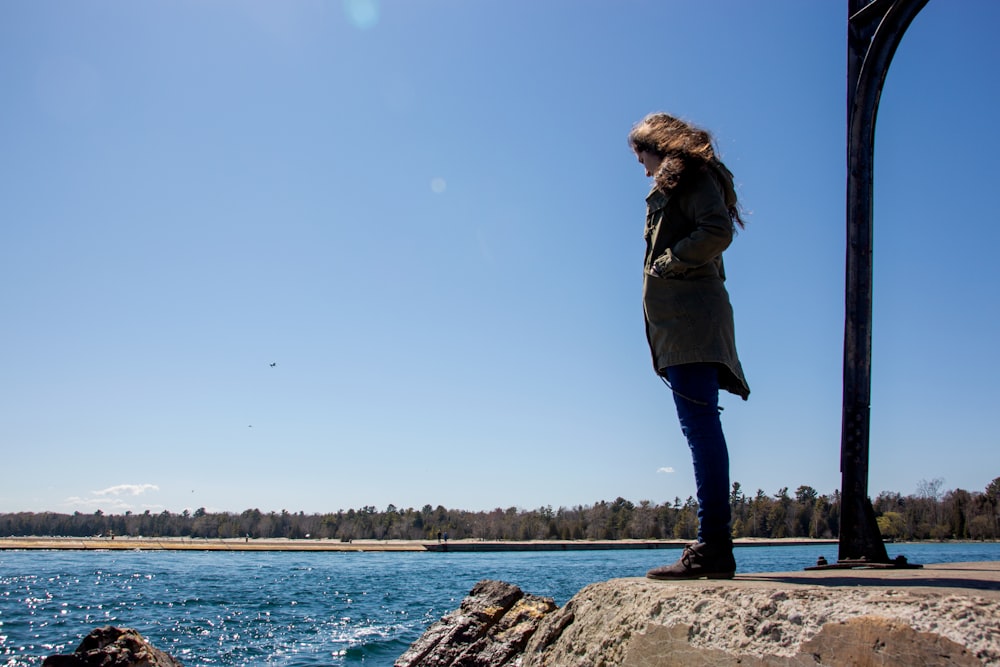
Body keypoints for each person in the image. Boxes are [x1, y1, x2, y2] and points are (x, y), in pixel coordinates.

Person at [628, 112, 750, 580]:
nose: (644, 170)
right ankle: (714, 545)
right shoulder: (682, 181)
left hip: (691, 323)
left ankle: (714, 547)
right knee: (700, 429)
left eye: (644, 159)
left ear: (659, 147)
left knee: (700, 429)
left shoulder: (692, 177)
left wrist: (667, 264)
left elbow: (717, 231)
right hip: (683, 325)